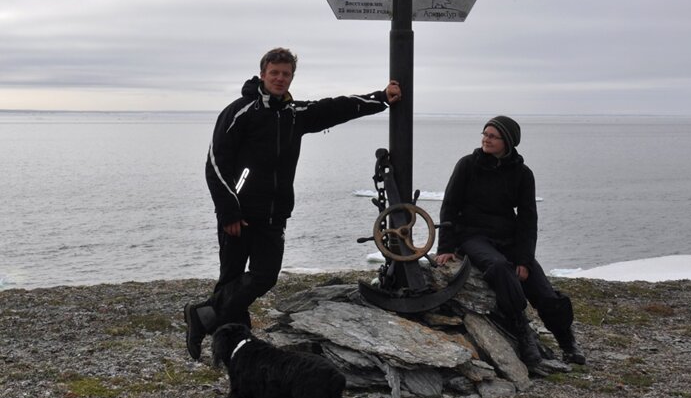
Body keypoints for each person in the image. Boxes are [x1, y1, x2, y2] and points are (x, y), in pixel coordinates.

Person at [184, 47, 401, 360]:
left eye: (286, 74)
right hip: (239, 214)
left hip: (274, 215)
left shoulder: (293, 114)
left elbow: (336, 108)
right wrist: (228, 210)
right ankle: (233, 350)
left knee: (264, 276)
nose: (280, 79)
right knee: (231, 281)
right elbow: (215, 164)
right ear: (263, 74)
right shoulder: (240, 112)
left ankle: (201, 314)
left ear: (291, 77)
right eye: (275, 73)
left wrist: (380, 97)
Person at [434, 116, 585, 374]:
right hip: (472, 236)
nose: (486, 139)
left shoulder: (522, 174)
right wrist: (445, 246)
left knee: (542, 289)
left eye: (493, 136)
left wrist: (525, 260)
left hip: (508, 237)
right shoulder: (468, 165)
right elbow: (450, 205)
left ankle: (566, 341)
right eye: (485, 134)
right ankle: (524, 338)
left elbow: (528, 219)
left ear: (508, 142)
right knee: (499, 267)